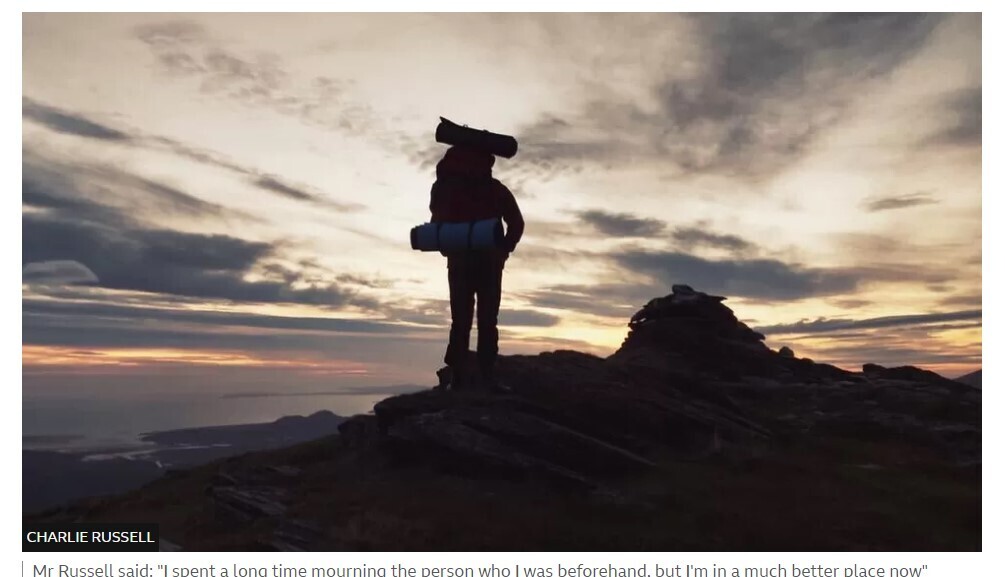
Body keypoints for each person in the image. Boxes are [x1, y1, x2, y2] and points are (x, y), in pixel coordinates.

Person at [429, 145, 524, 390]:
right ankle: (485, 376)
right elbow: (516, 223)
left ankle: (460, 377)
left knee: (461, 321)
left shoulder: (448, 189)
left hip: (462, 263)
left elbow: (436, 223)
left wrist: (448, 248)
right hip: (489, 264)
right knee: (486, 320)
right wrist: (504, 249)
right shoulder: (496, 190)